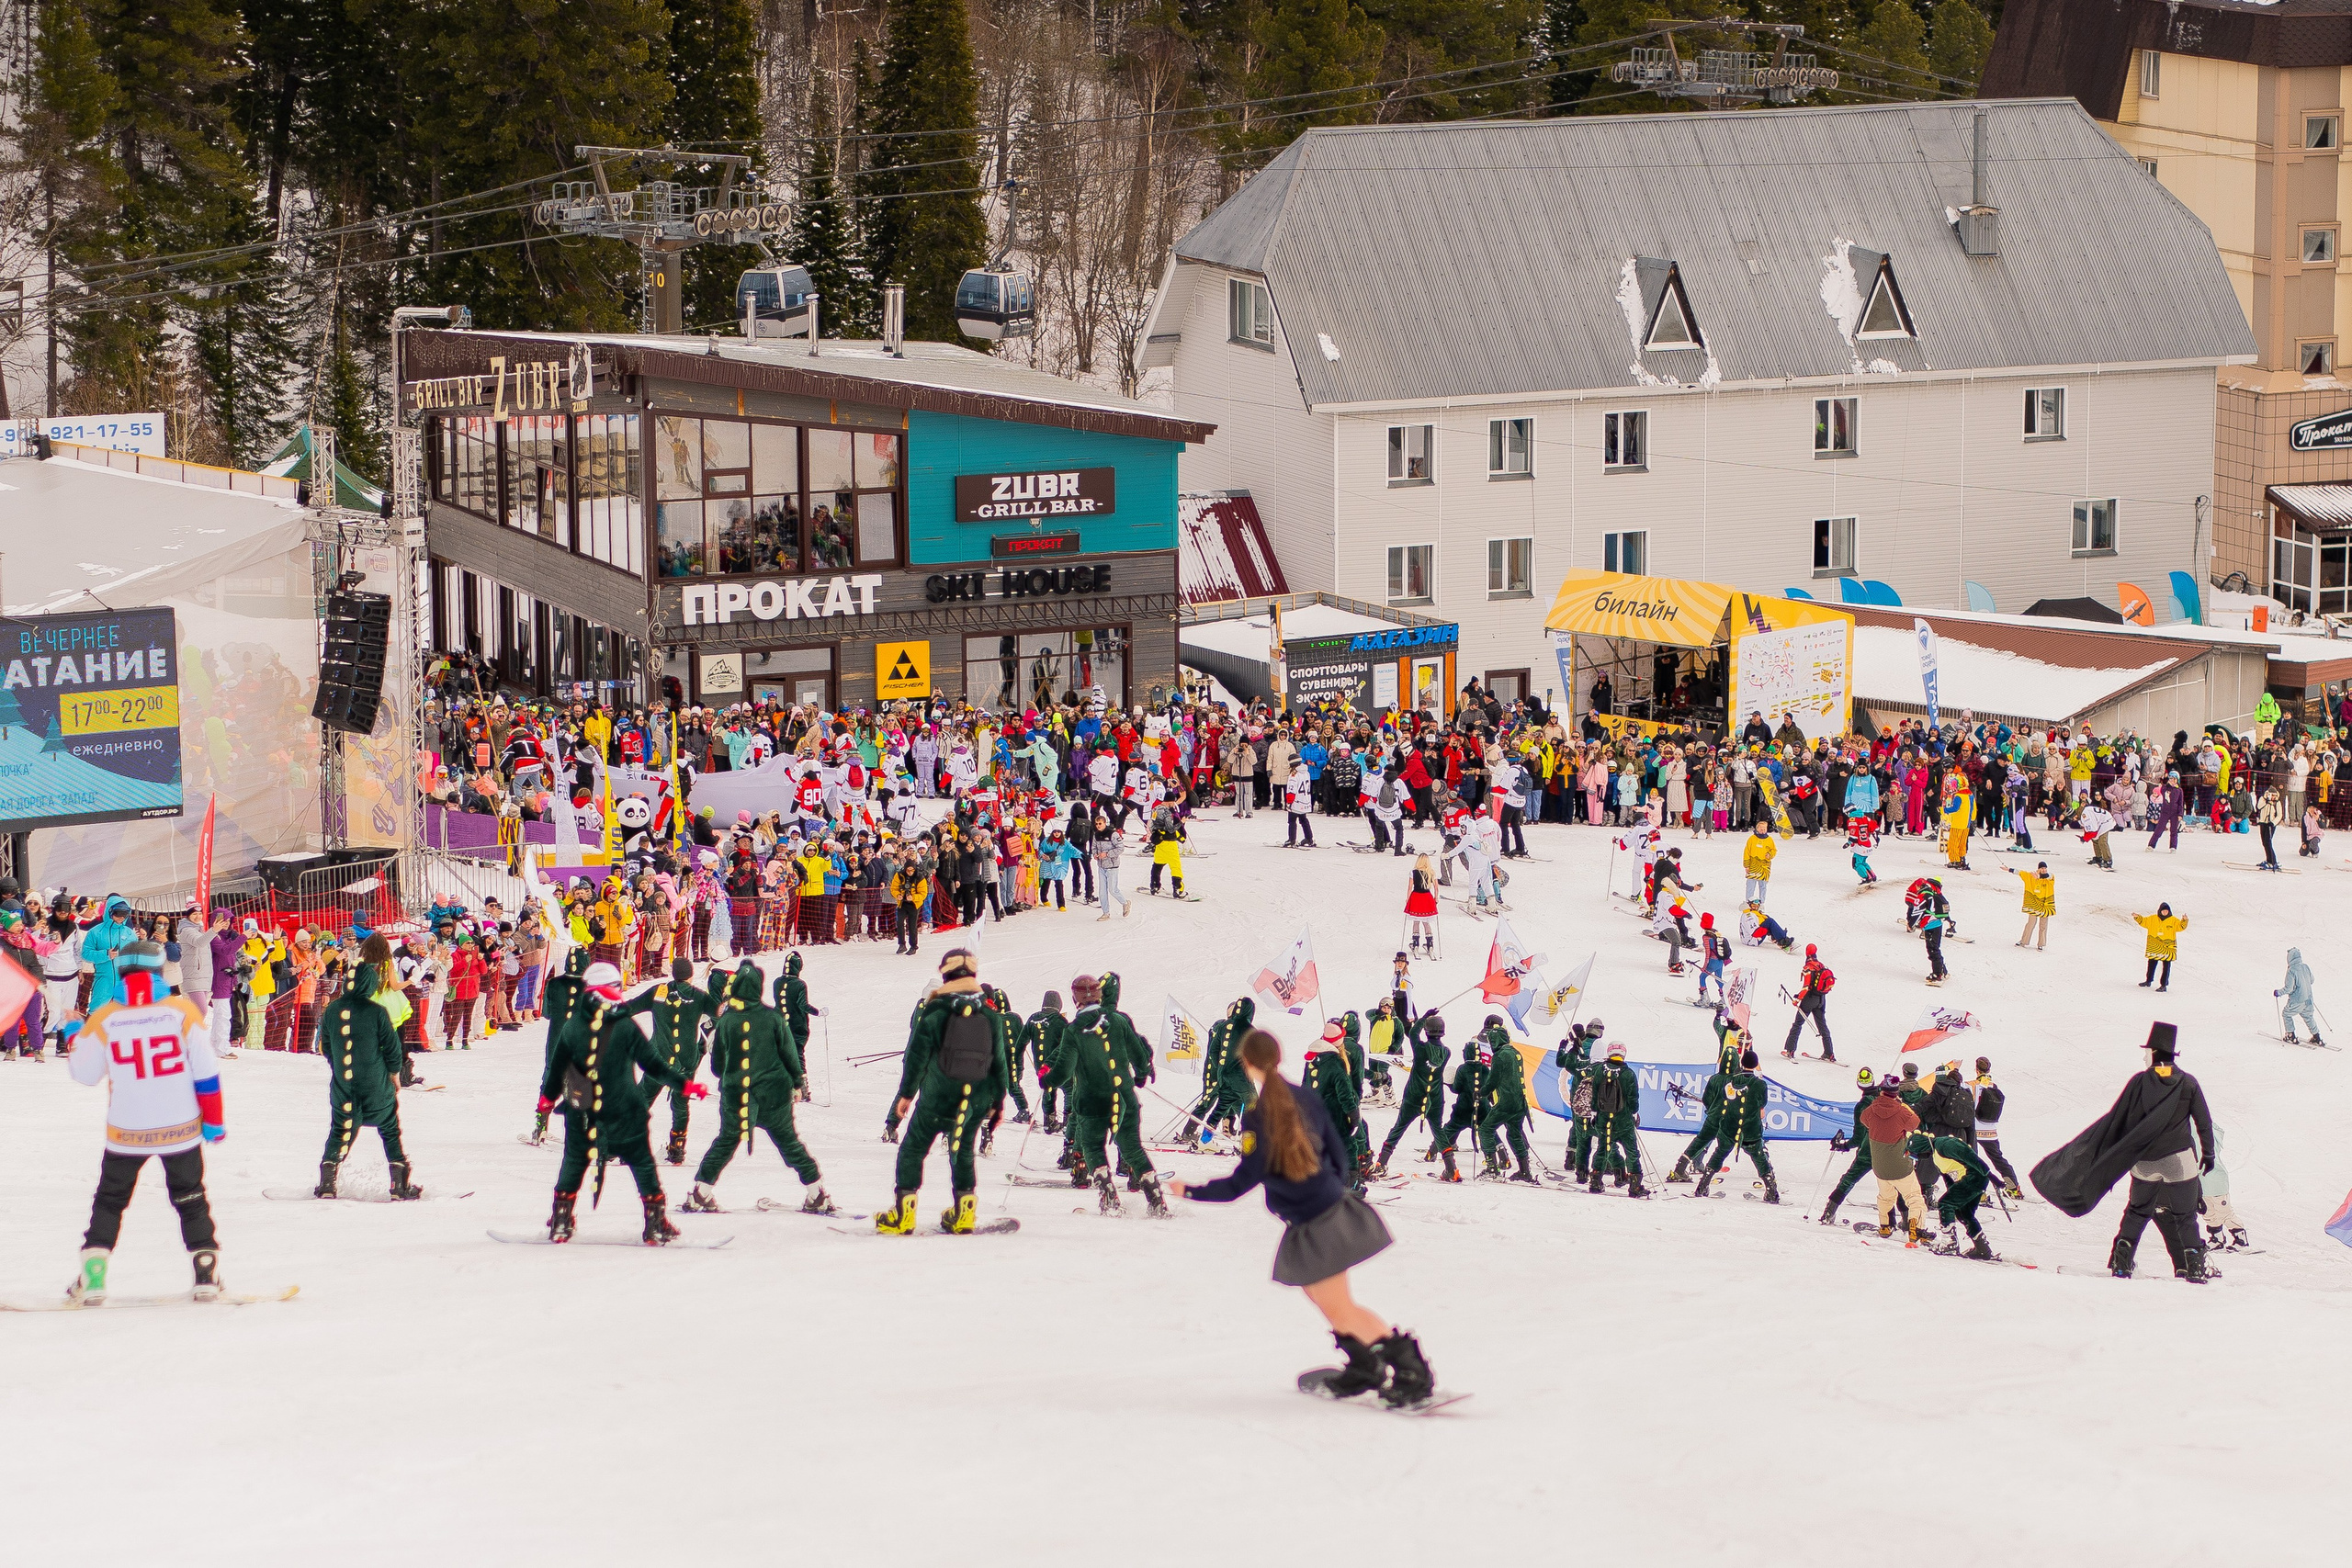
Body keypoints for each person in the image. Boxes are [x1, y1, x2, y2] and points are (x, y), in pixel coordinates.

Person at [1169, 1029, 1436, 1409]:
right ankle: (1364, 1365)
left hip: (1317, 1220)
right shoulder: (1305, 1098)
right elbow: (1340, 1155)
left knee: (1341, 1305)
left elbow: (1240, 1183)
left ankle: (1411, 1372)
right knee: (1320, 1295)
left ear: (1247, 1064)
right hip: (1327, 1210)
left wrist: (1189, 1191)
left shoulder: (1258, 1118)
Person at [62, 941, 224, 1304]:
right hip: (180, 1128)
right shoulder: (182, 1011)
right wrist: (213, 1122)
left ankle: (94, 1273)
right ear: (160, 970)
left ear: (121, 973)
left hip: (126, 1131)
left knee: (109, 1201)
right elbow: (207, 1074)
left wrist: (75, 1035)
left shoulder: (105, 1016)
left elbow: (85, 1074)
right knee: (191, 1198)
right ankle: (206, 1271)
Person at [536, 961, 703, 1244]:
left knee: (575, 1160)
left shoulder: (573, 1027)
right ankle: (655, 1223)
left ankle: (561, 1221)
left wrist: (547, 1100)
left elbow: (556, 1069)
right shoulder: (625, 1027)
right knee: (642, 1162)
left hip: (582, 1111)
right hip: (624, 1110)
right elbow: (654, 1065)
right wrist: (685, 1084)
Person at [684, 961, 833, 1216]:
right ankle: (816, 1193)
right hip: (774, 1095)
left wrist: (730, 1075)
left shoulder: (727, 1020)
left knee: (725, 1143)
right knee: (789, 1143)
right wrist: (797, 1083)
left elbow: (717, 1065)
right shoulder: (774, 1017)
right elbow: (790, 1055)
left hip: (737, 1096)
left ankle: (700, 1193)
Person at [1051, 968, 1168, 1215]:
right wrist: (1141, 1074)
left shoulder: (1073, 1030)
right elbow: (1138, 1052)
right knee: (1133, 1148)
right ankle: (1156, 1198)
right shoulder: (1119, 1020)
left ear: (1075, 999)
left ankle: (1109, 1196)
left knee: (1093, 1146)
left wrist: (1045, 1077)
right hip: (1124, 1097)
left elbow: (1062, 1070)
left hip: (1093, 1101)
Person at [314, 937, 421, 1201]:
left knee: (340, 1130)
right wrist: (394, 1074)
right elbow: (394, 1049)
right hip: (376, 1084)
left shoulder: (332, 1010)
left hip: (344, 1086)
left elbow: (325, 1045)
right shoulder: (377, 1012)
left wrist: (338, 1066)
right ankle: (399, 1184)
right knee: (389, 1128)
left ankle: (327, 1182)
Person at [639, 957, 722, 1164]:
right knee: (680, 1104)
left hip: (657, 1059)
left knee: (642, 1099)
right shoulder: (699, 996)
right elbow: (720, 1013)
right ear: (691, 975)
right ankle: (677, 1147)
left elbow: (629, 1007)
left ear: (673, 973)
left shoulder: (658, 991)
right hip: (686, 1062)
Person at [1691, 1044, 1778, 1202]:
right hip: (1750, 1129)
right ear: (1754, 1065)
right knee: (1759, 1158)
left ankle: (1702, 1186)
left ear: (1741, 1063)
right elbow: (1762, 1103)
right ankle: (1772, 1190)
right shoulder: (1760, 1084)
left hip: (1729, 1127)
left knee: (1719, 1154)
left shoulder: (1729, 1081)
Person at [1857, 1077, 1927, 1244]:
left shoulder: (1871, 1109)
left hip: (1880, 1166)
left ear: (1882, 1091)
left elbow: (1863, 1120)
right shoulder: (1902, 1111)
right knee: (1914, 1197)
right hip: (1901, 1166)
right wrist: (1903, 1106)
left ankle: (1885, 1226)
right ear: (1897, 1093)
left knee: (1885, 1197)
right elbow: (1915, 1123)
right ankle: (1915, 1228)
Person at [1916, 1129, 1999, 1259]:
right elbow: (1948, 1177)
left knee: (1945, 1203)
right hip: (1971, 1179)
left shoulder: (1944, 1144)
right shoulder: (1936, 1154)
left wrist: (1991, 1176)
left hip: (1975, 1177)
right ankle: (1982, 1249)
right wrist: (1953, 1193)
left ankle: (1950, 1244)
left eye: (1915, 1155)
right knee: (1963, 1213)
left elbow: (1970, 1156)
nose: (1917, 1159)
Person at [1583, 1041, 1647, 1195]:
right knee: (1632, 1152)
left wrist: (1594, 1113)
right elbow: (1633, 1099)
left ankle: (1595, 1182)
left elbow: (1595, 1095)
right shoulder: (1629, 1073)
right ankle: (1635, 1185)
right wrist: (1634, 1114)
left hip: (1604, 1121)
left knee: (1602, 1150)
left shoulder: (1600, 1071)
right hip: (1623, 1121)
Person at [1188, 998, 1256, 1141]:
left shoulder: (1223, 1026)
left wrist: (1222, 1067)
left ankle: (1205, 1140)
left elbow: (1213, 1051)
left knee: (1221, 1108)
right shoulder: (1249, 1029)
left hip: (1223, 1076)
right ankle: (1250, 1144)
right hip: (1241, 1077)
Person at [1970, 1057, 2023, 1199]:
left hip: (1974, 1130)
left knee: (1971, 1160)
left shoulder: (1972, 1086)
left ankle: (1978, 1192)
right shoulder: (1994, 1087)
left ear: (1977, 1069)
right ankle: (2013, 1186)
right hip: (1991, 1131)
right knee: (1998, 1158)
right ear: (1989, 1069)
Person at [1781, 943, 1836, 1061]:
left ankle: (1790, 1050)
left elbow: (1806, 987)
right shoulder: (1821, 965)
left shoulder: (1808, 967)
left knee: (1797, 1024)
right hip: (1821, 999)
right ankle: (1829, 1052)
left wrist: (1798, 999)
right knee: (1822, 1025)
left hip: (1809, 999)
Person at [2132, 903, 2186, 992]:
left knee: (2166, 966)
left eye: (2166, 911)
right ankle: (2148, 980)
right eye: (2163, 910)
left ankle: (2163, 985)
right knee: (2151, 963)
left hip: (2168, 948)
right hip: (2154, 947)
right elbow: (2144, 921)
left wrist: (2184, 920)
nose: (2165, 912)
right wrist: (2137, 917)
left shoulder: (2173, 920)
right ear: (2160, 911)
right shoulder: (2153, 919)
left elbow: (2180, 927)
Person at [2276, 947, 2322, 1045]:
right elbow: (2312, 980)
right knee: (2308, 1017)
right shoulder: (2306, 967)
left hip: (2297, 999)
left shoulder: (2291, 970)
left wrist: (2278, 992)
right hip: (2308, 999)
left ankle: (2290, 1035)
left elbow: (2289, 988)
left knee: (2286, 1014)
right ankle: (2317, 1037)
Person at [2008, 862, 2054, 950]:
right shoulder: (2031, 876)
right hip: (2035, 905)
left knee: (2043, 925)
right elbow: (2020, 872)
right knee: (2030, 923)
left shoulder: (2050, 876)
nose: (2044, 870)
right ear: (2039, 869)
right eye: (2042, 868)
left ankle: (2041, 944)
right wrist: (2009, 869)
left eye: (2045, 868)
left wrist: (2039, 876)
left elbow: (2048, 876)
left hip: (2045, 905)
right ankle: (2024, 941)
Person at [1403, 855, 1438, 956]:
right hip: (1427, 897)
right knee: (1426, 921)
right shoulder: (1431, 872)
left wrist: (1408, 899)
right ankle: (1430, 944)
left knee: (1416, 921)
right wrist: (1436, 898)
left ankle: (1416, 943)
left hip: (1416, 897)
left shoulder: (1413, 872)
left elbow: (1410, 887)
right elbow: (1436, 888)